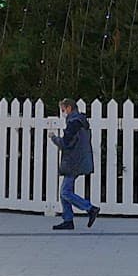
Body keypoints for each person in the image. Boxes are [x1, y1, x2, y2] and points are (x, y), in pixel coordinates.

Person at [48, 98, 98, 230]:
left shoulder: (73, 123)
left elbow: (65, 143)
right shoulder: (81, 121)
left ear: (69, 108)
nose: (63, 112)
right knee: (64, 191)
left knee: (65, 192)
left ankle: (90, 208)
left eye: (63, 110)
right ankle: (68, 220)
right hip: (79, 159)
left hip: (73, 161)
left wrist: (53, 138)